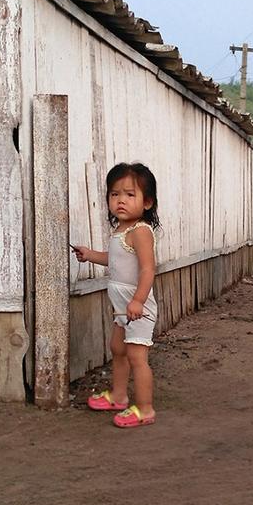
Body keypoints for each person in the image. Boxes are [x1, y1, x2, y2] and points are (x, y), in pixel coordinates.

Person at [73, 162, 160, 428]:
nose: (120, 200)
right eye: (114, 194)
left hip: (137, 308)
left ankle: (145, 409)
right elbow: (115, 260)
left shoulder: (141, 231)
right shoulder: (121, 231)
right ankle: (119, 396)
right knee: (118, 349)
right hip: (122, 308)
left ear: (147, 203)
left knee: (137, 357)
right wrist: (89, 255)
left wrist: (138, 301)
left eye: (129, 194)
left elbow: (147, 269)